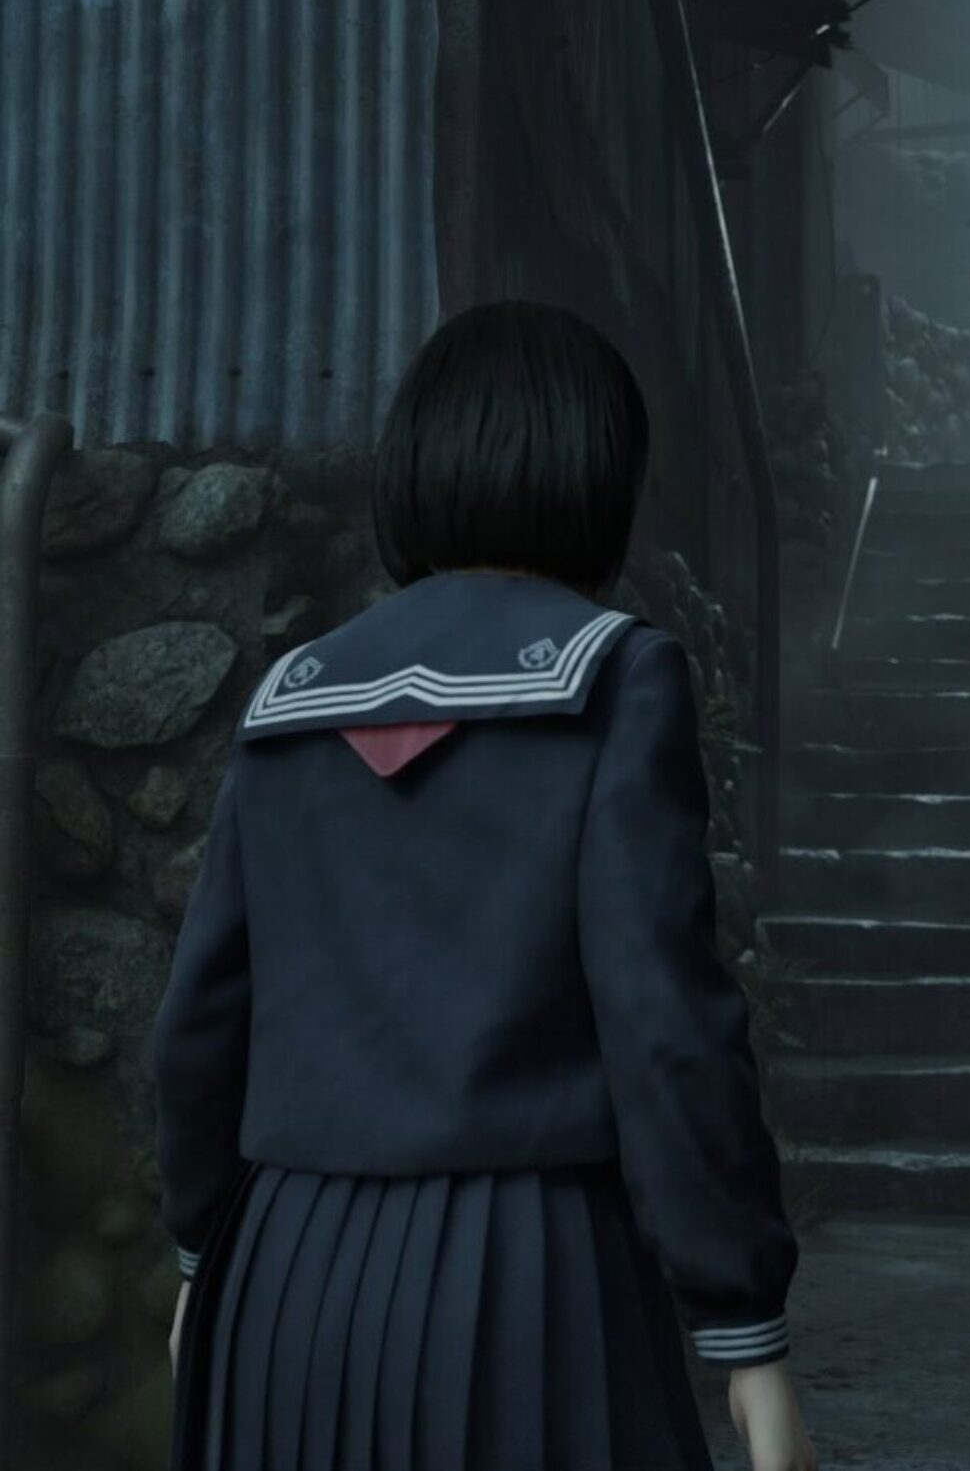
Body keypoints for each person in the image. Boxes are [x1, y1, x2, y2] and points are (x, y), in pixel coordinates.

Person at [153, 300, 818, 1471]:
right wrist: (742, 1322)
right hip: (528, 1282)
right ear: (597, 473)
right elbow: (664, 1025)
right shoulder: (618, 676)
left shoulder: (292, 691)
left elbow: (201, 1021)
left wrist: (200, 1258)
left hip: (278, 1281)